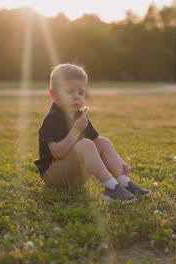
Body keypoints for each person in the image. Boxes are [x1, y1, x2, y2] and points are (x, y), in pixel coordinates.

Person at [34, 64, 152, 203]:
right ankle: (111, 188)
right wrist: (76, 130)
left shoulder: (79, 116)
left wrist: (119, 163)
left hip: (75, 176)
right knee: (85, 144)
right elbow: (57, 153)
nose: (76, 97)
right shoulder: (52, 118)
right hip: (53, 176)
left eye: (81, 92)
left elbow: (98, 142)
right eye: (70, 92)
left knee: (102, 141)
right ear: (54, 95)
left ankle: (124, 182)